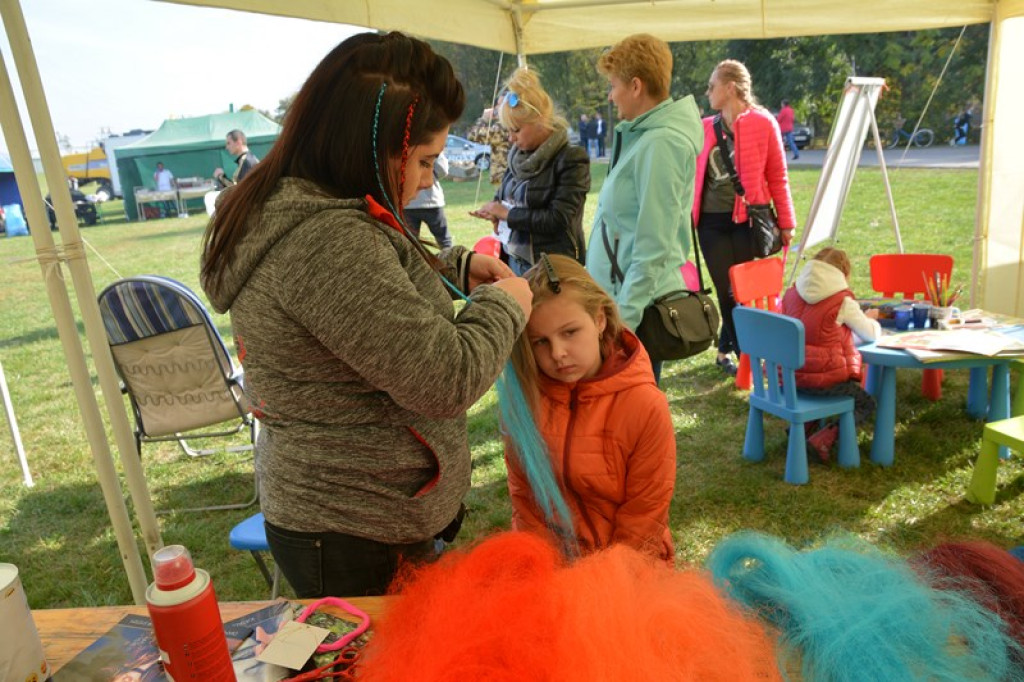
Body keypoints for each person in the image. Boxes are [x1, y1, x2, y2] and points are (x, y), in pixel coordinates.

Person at [200, 31, 532, 598]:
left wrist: (454, 267)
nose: (429, 179)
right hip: (355, 532)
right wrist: (506, 304)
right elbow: (444, 378)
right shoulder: (324, 240)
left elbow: (379, 280)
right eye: (424, 161)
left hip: (359, 518)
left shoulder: (311, 208)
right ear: (370, 147)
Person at [503, 254, 676, 562]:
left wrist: (603, 586)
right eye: (540, 342)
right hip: (552, 571)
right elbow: (525, 502)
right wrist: (541, 570)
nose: (558, 353)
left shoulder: (645, 406)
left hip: (627, 574)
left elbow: (644, 517)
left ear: (599, 319)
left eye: (570, 332)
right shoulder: (525, 403)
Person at [585, 33, 703, 384]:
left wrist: (623, 325)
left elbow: (654, 244)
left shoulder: (661, 143)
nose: (610, 95)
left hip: (633, 312)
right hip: (619, 304)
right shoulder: (647, 138)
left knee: (628, 420)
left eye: (614, 84)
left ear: (636, 86)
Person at [692, 59, 797, 376]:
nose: (708, 91)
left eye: (712, 86)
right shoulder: (704, 128)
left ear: (730, 88)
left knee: (744, 292)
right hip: (711, 223)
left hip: (749, 221)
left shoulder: (764, 124)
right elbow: (690, 177)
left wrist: (787, 223)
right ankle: (749, 360)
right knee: (726, 290)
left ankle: (728, 352)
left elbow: (778, 176)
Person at [470, 67, 590, 275]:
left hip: (553, 268)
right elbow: (505, 196)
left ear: (540, 120)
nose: (510, 139)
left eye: (515, 130)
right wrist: (494, 211)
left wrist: (507, 214)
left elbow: (558, 218)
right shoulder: (517, 156)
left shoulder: (571, 159)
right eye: (508, 131)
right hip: (515, 261)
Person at [780, 247, 880, 462]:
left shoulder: (791, 294)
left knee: (818, 383)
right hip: (822, 383)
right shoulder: (842, 301)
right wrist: (871, 318)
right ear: (842, 273)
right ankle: (824, 439)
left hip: (789, 379)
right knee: (865, 403)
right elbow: (870, 335)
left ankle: (804, 428)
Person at [404, 151, 452, 248]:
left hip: (408, 202)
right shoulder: (431, 145)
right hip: (431, 201)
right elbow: (443, 170)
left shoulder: (400, 146)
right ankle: (450, 262)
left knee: (410, 242)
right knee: (444, 240)